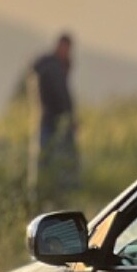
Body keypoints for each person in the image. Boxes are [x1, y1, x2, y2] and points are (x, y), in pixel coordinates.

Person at [29, 33, 80, 205]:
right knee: (45, 157)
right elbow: (60, 95)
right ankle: (40, 191)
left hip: (58, 119)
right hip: (50, 118)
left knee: (61, 157)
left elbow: (64, 95)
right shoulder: (50, 66)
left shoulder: (59, 66)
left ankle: (58, 191)